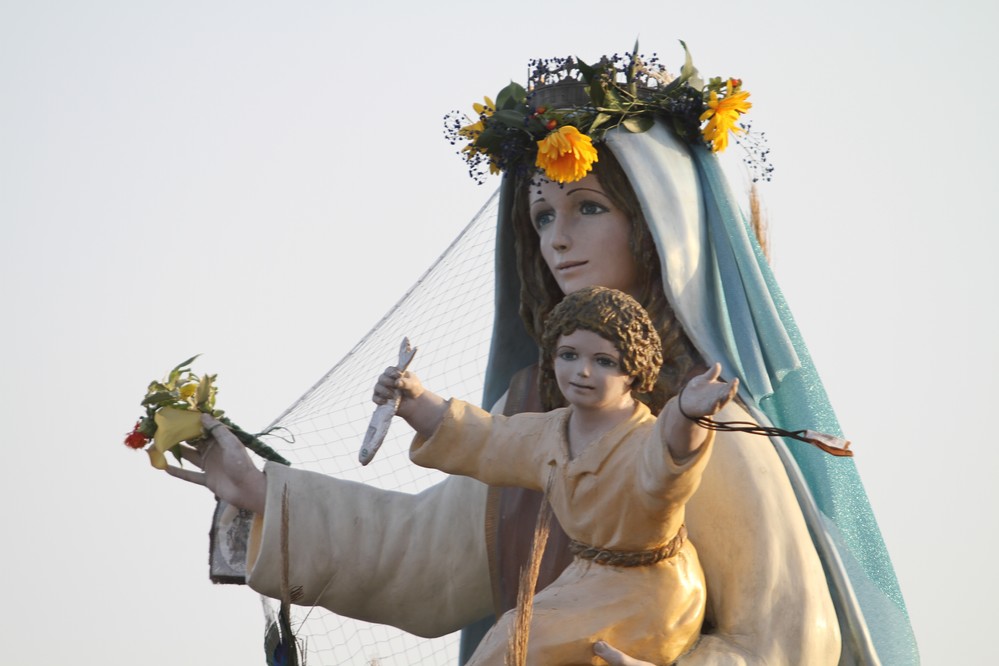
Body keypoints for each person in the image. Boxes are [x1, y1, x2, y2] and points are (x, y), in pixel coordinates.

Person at [169, 47, 918, 665]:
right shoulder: (537, 412)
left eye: (588, 207)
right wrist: (260, 490)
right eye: (541, 214)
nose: (556, 239)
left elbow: (788, 638)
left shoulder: (705, 418)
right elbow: (421, 556)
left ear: (658, 229)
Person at [374, 286, 738, 664]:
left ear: (633, 371)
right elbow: (485, 438)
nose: (582, 371)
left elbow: (670, 462)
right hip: (588, 581)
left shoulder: (643, 440)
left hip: (653, 595)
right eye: (569, 355)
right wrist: (413, 400)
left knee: (518, 646)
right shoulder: (549, 432)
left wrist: (689, 415)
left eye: (604, 361)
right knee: (513, 636)